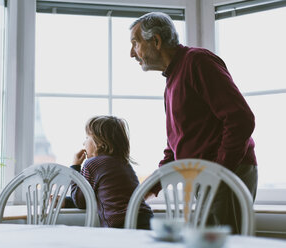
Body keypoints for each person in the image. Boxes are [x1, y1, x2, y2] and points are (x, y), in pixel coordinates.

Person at [129, 12, 257, 234]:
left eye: (135, 43)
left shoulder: (197, 62)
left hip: (226, 174)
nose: (132, 53)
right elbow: (176, 146)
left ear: (156, 41)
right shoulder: (172, 79)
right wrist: (151, 186)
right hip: (208, 178)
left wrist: (218, 171)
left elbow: (241, 119)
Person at [68, 115, 153, 229]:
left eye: (87, 137)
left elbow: (81, 201)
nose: (84, 142)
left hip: (121, 224)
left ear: (100, 142)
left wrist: (75, 167)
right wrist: (66, 201)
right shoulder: (124, 164)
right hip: (145, 219)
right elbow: (102, 197)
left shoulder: (93, 164)